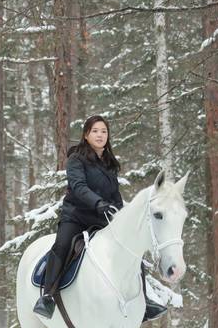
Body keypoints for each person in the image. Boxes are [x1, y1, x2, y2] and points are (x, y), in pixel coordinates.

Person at [32, 116, 167, 322]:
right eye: (95, 131)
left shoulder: (110, 163)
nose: (100, 135)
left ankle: (145, 299)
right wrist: (98, 203)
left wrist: (122, 216)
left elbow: (115, 195)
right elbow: (78, 187)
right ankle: (48, 296)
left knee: (131, 248)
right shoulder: (76, 158)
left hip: (103, 218)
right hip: (76, 216)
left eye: (104, 131)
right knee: (62, 244)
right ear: (86, 135)